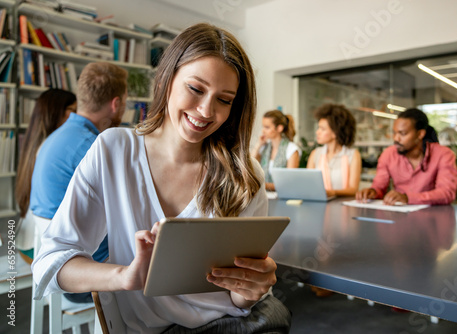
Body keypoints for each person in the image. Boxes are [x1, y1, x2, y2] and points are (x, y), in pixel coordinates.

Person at [32, 23, 291, 333]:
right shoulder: (114, 150)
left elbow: (237, 300)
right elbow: (51, 261)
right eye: (195, 89)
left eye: (224, 100)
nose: (206, 110)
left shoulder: (244, 174)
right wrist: (124, 277)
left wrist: (248, 292)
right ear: (167, 80)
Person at [30, 62, 128, 303]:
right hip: (78, 275)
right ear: (116, 104)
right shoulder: (92, 147)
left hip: (53, 262)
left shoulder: (57, 135)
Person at [15, 89, 77, 262]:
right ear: (56, 112)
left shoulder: (35, 144)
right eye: (73, 110)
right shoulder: (53, 147)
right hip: (36, 243)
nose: (77, 116)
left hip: (27, 235)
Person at [356, 108, 457, 205]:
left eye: (403, 133)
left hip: (433, 217)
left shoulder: (443, 154)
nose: (396, 138)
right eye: (394, 133)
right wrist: (372, 192)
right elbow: (379, 186)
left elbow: (446, 193)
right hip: (399, 215)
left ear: (420, 134)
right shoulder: (388, 154)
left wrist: (408, 198)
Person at [307, 104, 361, 197]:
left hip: (344, 207)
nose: (317, 132)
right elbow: (308, 185)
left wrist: (332, 193)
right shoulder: (315, 154)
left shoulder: (352, 155)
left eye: (322, 129)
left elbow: (353, 190)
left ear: (335, 132)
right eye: (318, 128)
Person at [252, 109, 300, 191]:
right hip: (264, 197)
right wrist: (258, 144)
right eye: (263, 127)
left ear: (279, 128)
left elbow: (289, 183)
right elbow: (250, 166)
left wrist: (263, 185)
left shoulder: (291, 149)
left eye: (267, 127)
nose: (263, 130)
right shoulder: (264, 147)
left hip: (282, 198)